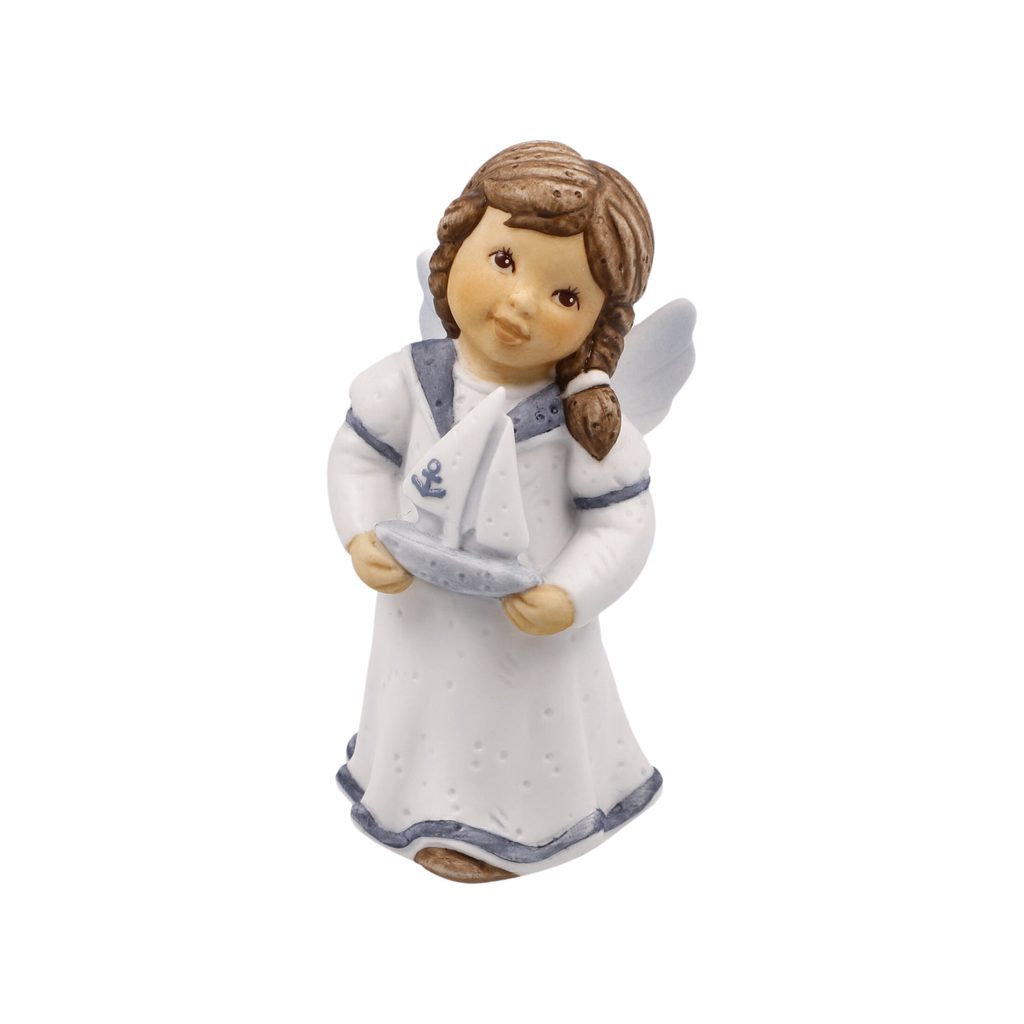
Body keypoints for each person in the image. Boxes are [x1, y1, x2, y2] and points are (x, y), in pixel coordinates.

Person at [328, 141, 662, 882]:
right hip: (420, 607)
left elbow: (622, 522)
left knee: (516, 720)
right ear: (457, 247)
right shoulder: (410, 382)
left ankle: (521, 825)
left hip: (525, 628)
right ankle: (412, 799)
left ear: (601, 323)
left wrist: (568, 593)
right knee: (422, 702)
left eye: (565, 296)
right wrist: (361, 534)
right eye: (504, 261)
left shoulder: (584, 425)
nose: (520, 302)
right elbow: (359, 457)